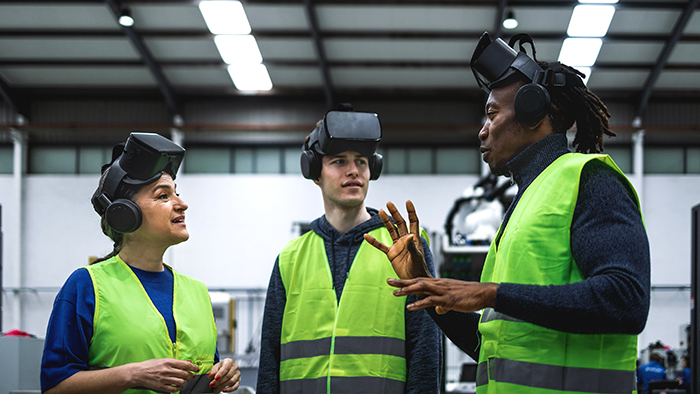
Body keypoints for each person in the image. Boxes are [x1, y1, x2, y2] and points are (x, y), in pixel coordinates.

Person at [364, 32, 650, 393]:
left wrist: (491, 293)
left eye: (492, 114)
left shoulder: (590, 181)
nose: (482, 132)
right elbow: (489, 348)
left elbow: (626, 301)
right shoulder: (523, 206)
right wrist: (429, 289)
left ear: (532, 111)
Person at [256, 107, 442, 394]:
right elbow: (269, 356)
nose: (353, 170)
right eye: (339, 161)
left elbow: (425, 349)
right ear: (315, 171)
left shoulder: (405, 245)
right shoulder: (290, 258)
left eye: (361, 162)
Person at [41, 132, 241, 394]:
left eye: (176, 194)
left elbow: (201, 383)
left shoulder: (198, 292)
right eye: (163, 196)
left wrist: (221, 376)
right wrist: (133, 374)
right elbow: (55, 387)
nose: (182, 204)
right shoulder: (87, 286)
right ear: (125, 214)